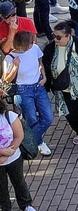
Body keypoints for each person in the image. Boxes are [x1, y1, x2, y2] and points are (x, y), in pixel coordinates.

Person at [5, 29, 54, 157]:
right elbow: (6, 80)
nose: (32, 45)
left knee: (48, 117)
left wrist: (44, 77)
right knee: (31, 118)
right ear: (21, 44)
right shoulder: (10, 57)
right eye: (29, 43)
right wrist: (15, 67)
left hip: (38, 85)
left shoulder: (35, 48)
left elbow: (40, 63)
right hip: (23, 90)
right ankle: (38, 142)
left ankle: (26, 140)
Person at [0, 83, 36, 211]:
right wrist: (3, 153)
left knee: (19, 182)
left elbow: (19, 136)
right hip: (4, 157)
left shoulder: (9, 116)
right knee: (1, 187)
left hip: (13, 157)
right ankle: (5, 207)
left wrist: (10, 152)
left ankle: (26, 205)